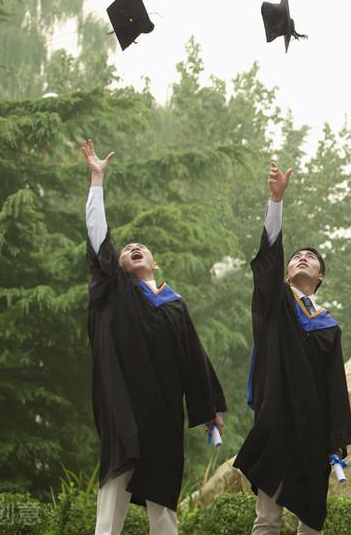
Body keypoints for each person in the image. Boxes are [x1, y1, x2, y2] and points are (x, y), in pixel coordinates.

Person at [81, 140, 226, 535]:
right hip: (124, 406)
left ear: (154, 262)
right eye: (127, 249)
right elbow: (98, 240)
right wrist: (97, 179)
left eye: (141, 248)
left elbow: (194, 357)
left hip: (162, 412)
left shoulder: (174, 305)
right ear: (119, 266)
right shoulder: (116, 292)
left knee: (162, 500)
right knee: (114, 492)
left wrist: (209, 407)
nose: (134, 248)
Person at [234, 162, 351, 535]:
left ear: (320, 277)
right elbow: (267, 261)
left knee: (311, 520)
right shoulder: (277, 305)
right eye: (295, 257)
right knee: (267, 518)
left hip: (313, 429)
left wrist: (336, 439)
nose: (302, 258)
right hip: (276, 420)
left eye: (312, 258)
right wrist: (276, 200)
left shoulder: (328, 325)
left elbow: (334, 384)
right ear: (286, 273)